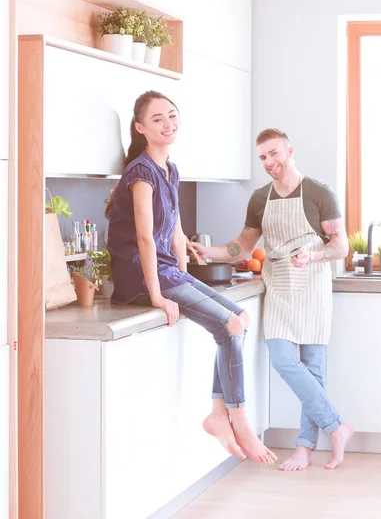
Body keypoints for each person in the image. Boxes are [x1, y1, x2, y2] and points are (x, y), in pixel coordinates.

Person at [105, 90, 277, 466]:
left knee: (240, 319)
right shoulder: (140, 171)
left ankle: (218, 412)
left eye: (171, 116)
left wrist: (186, 272)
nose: (168, 124)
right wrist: (158, 294)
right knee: (231, 324)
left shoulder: (170, 168)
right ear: (140, 128)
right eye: (157, 119)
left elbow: (176, 231)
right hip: (140, 275)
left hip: (168, 271)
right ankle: (238, 416)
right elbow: (146, 238)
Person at [191, 128, 354, 471]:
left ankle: (305, 448)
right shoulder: (260, 198)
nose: (269, 162)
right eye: (263, 157)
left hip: (312, 287)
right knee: (283, 360)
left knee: (313, 369)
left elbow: (341, 247)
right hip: (278, 287)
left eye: (274, 154)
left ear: (289, 151)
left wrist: (313, 257)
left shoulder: (319, 193)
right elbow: (243, 247)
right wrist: (209, 250)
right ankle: (336, 426)